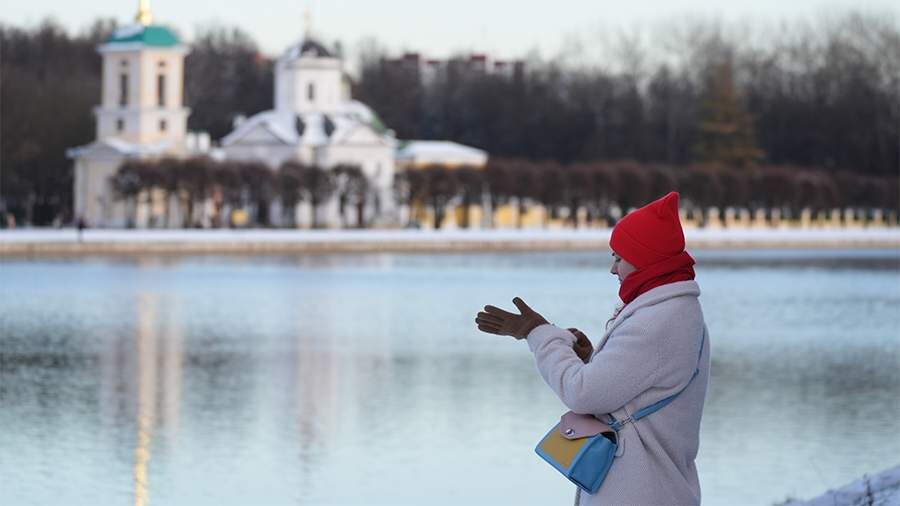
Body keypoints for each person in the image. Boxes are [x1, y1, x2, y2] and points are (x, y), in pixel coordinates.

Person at [475, 191, 710, 505]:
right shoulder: (673, 310)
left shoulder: (655, 321)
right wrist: (592, 359)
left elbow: (582, 392)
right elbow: (643, 384)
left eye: (619, 258)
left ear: (645, 259)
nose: (613, 269)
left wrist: (537, 334)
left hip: (639, 493)